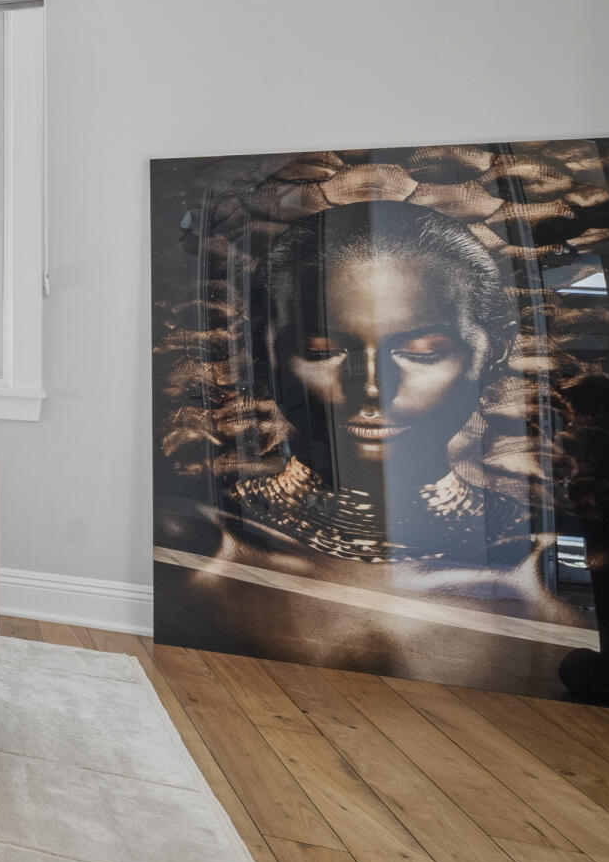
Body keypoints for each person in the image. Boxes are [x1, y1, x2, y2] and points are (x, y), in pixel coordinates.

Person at [210, 199, 558, 613]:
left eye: (422, 352)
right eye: (321, 351)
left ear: (495, 350)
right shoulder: (210, 539)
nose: (373, 388)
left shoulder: (537, 557)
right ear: (264, 353)